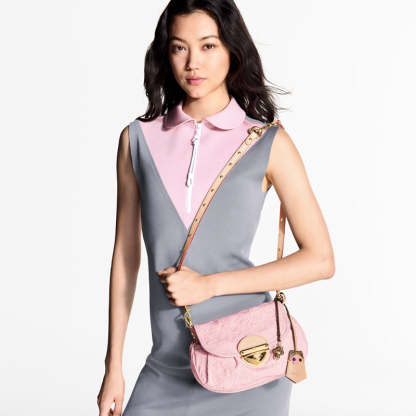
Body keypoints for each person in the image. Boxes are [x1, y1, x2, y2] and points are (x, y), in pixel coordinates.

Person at [96, 1, 335, 415]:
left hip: (247, 361)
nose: (193, 62)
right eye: (179, 47)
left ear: (232, 50)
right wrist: (113, 366)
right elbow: (126, 256)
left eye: (208, 45)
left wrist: (209, 286)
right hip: (166, 367)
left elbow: (321, 260)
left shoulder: (268, 142)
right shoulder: (136, 141)